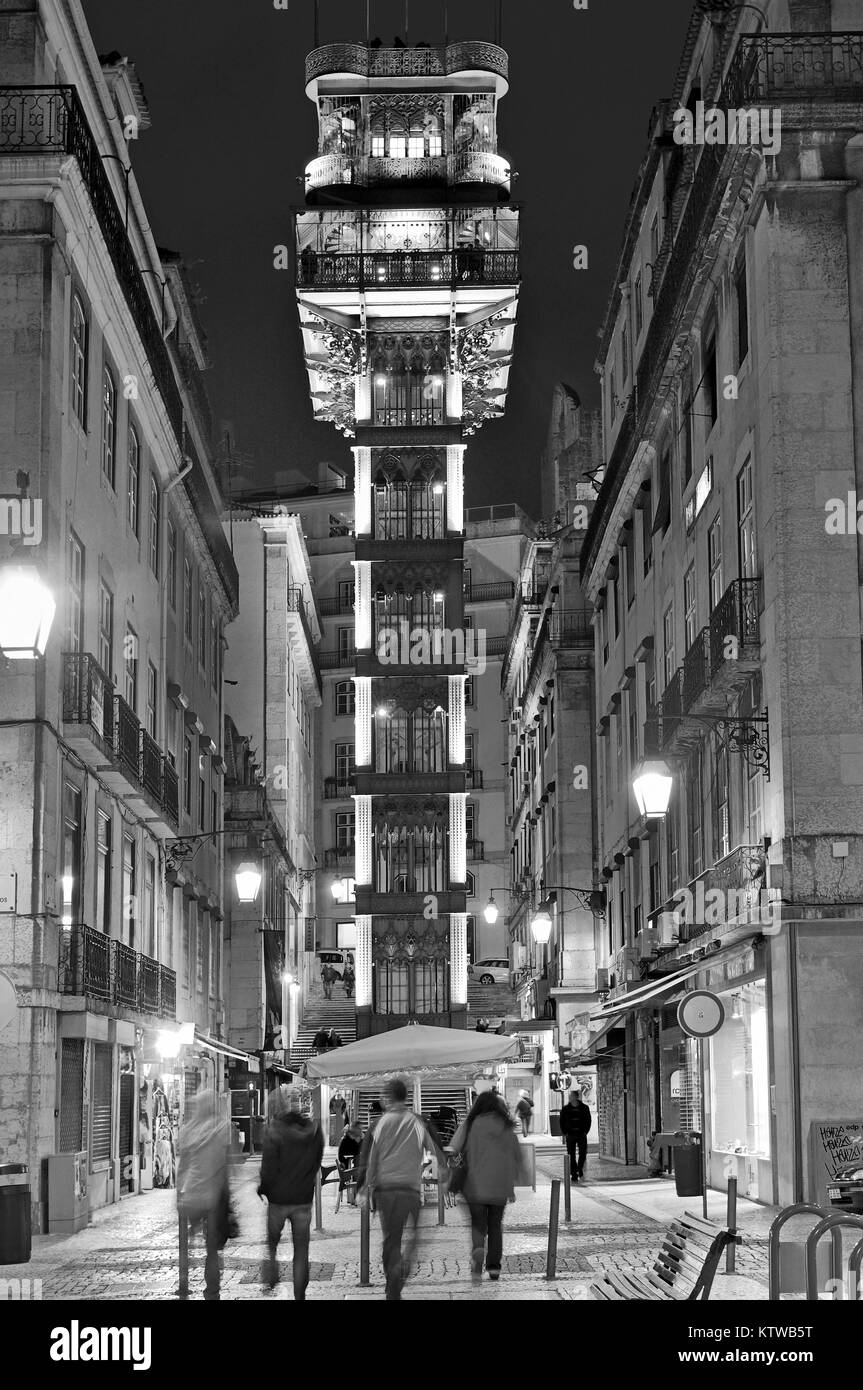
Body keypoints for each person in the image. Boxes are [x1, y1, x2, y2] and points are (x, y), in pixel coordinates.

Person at [363, 1078, 444, 1301]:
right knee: (415, 1236)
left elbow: (373, 1159)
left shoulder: (381, 1123)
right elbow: (432, 1153)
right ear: (405, 1097)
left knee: (391, 1239)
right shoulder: (416, 1123)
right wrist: (435, 1178)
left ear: (389, 1097)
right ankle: (404, 1265)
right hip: (410, 1190)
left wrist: (366, 1187)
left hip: (386, 1191)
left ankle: (393, 1283)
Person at [258, 1085, 324, 1299]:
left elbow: (268, 1167)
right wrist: (305, 1183)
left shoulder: (274, 1130)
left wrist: (263, 1188)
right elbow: (316, 1163)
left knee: (272, 1243)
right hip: (302, 1201)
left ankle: (272, 1269)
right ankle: (299, 1296)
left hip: (278, 1200)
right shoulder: (313, 1131)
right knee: (301, 1252)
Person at [450, 1091, 521, 1282]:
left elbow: (454, 1147)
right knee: (495, 1226)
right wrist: (511, 1187)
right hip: (500, 1187)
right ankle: (494, 1268)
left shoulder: (472, 1124)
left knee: (478, 1225)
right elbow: (516, 1157)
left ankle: (477, 1257)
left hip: (475, 1186)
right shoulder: (507, 1126)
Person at [176, 1091, 232, 1301]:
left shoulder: (187, 1131)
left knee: (187, 1245)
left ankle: (184, 1284)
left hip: (190, 1196)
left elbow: (182, 1167)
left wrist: (178, 1195)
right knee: (212, 1250)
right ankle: (212, 1293)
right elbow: (225, 1166)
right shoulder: (221, 1128)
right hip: (212, 1198)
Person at [559, 1089, 592, 1181]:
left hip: (581, 1134)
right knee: (571, 1155)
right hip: (570, 1134)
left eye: (572, 1096)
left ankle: (579, 1168)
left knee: (583, 1153)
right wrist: (565, 1132)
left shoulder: (584, 1108)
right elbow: (561, 1121)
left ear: (576, 1097)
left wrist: (585, 1131)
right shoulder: (565, 1109)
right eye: (569, 1096)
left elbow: (588, 1120)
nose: (570, 1098)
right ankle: (574, 1173)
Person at [336, 1117, 364, 1211]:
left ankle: (357, 1197)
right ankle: (357, 1197)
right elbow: (356, 1151)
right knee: (360, 1165)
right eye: (359, 1128)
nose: (361, 1130)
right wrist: (360, 1140)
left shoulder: (350, 1138)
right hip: (347, 1170)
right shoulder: (349, 1140)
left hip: (349, 1168)